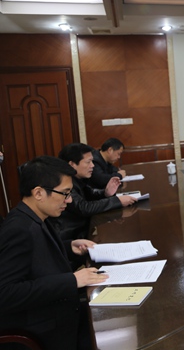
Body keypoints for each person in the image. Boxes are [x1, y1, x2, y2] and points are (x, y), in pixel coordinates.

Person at [0, 156, 108, 349]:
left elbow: (36, 255)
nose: (69, 200)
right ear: (38, 193)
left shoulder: (34, 216)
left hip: (58, 309)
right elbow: (6, 293)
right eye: (65, 193)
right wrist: (72, 280)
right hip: (43, 327)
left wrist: (69, 246)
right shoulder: (18, 229)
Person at [57, 143, 137, 241]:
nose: (93, 165)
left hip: (84, 231)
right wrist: (117, 201)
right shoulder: (64, 183)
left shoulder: (78, 179)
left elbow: (90, 194)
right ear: (72, 164)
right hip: (72, 237)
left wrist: (105, 193)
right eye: (88, 162)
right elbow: (84, 208)